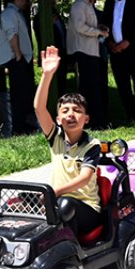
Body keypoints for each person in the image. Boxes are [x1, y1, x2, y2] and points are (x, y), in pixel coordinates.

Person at [34, 47, 102, 236]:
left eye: (77, 110)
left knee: (65, 204)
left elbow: (84, 178)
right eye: (65, 111)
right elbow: (39, 108)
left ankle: (68, 249)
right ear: (57, 119)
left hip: (86, 208)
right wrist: (47, 75)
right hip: (56, 201)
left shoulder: (91, 145)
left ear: (86, 119)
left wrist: (54, 192)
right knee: (21, 201)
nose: (71, 114)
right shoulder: (55, 138)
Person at [67, 0, 110, 128]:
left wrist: (100, 29)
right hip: (84, 50)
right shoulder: (79, 6)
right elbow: (80, 27)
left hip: (91, 50)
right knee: (91, 88)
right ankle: (96, 122)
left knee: (92, 86)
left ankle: (93, 120)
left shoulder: (86, 5)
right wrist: (98, 32)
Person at [0, 0, 37, 135]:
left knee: (22, 93)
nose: (27, 2)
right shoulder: (9, 13)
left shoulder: (14, 13)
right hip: (16, 59)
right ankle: (18, 127)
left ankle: (22, 124)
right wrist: (18, 55)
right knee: (18, 94)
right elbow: (12, 34)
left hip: (19, 58)